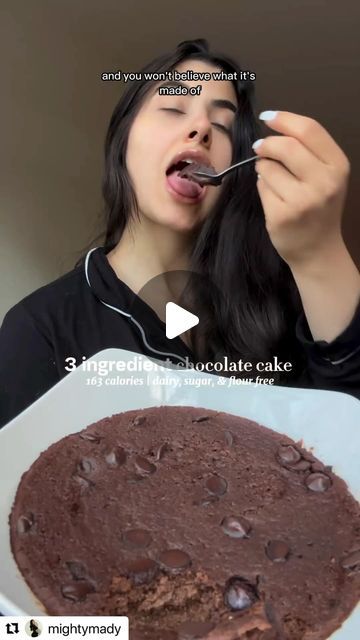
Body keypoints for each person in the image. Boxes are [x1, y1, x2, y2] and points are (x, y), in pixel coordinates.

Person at [0, 38, 359, 429]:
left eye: (222, 125)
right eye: (173, 108)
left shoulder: (275, 302)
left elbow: (342, 436)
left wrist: (320, 256)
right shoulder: (41, 328)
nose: (202, 128)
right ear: (123, 143)